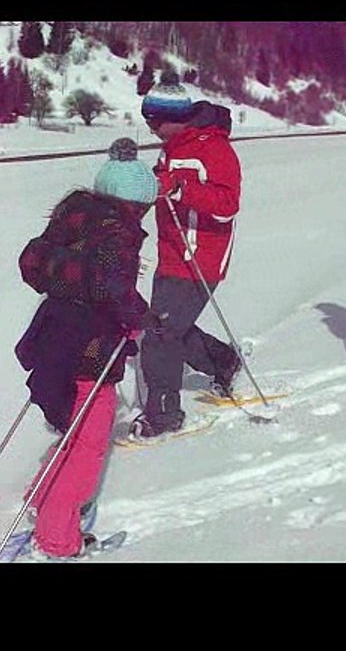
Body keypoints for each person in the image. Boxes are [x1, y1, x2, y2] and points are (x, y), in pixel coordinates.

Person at [14, 137, 162, 559]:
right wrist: (141, 316)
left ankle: (40, 499)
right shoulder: (117, 234)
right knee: (90, 440)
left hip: (52, 333)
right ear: (133, 203)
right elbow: (116, 292)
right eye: (143, 209)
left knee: (73, 429)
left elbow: (39, 267)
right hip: (92, 346)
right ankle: (58, 538)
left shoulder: (74, 218)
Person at [133, 72, 243, 439]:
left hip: (201, 258)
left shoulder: (215, 148)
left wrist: (180, 188)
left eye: (154, 122)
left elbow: (227, 206)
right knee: (166, 325)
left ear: (173, 118)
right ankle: (223, 360)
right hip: (170, 254)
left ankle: (163, 415)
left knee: (160, 334)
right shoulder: (172, 147)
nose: (151, 130)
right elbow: (164, 189)